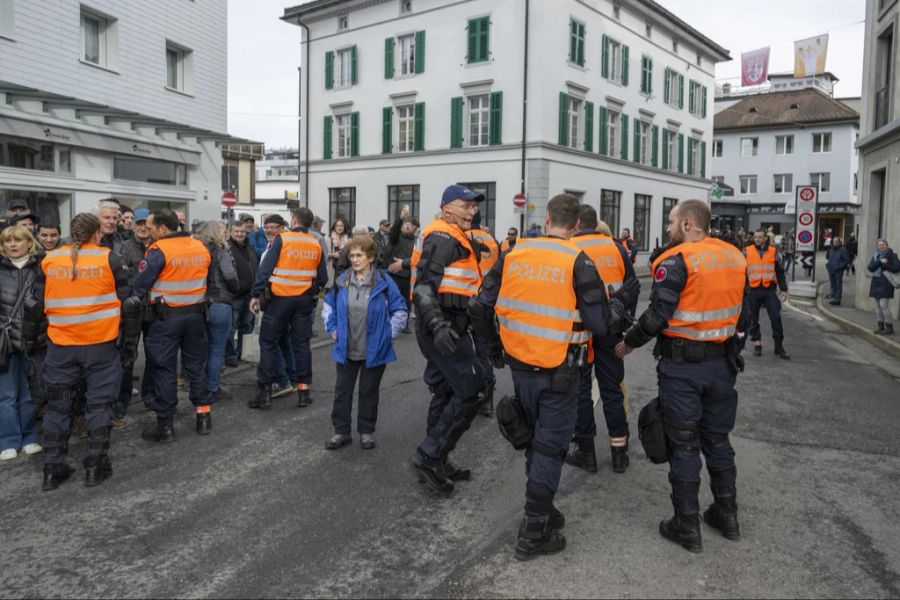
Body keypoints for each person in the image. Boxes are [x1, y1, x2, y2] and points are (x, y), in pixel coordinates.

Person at [469, 193, 635, 560]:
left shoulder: (514, 254)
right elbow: (600, 325)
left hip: (520, 365)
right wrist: (618, 304)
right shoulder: (579, 261)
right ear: (576, 227)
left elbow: (479, 306)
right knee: (550, 445)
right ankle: (532, 530)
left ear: (546, 220)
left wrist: (493, 348)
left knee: (534, 439)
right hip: (561, 369)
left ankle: (542, 506)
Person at [615, 199, 750, 553]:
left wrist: (629, 343)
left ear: (689, 224)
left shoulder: (677, 260)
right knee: (718, 440)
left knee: (685, 442)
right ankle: (727, 515)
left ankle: (686, 524)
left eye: (673, 221)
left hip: (682, 369)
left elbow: (658, 314)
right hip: (722, 366)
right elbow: (745, 314)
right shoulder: (735, 256)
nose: (669, 227)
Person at [32, 213, 136, 490]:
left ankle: (52, 469)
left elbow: (34, 306)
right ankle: (95, 465)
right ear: (97, 233)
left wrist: (35, 340)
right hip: (100, 347)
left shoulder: (50, 260)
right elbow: (130, 306)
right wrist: (129, 345)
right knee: (98, 405)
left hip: (60, 348)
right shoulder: (109, 259)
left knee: (58, 406)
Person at [407, 185, 487, 495]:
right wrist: (439, 327)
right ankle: (430, 455)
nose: (472, 211)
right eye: (465, 206)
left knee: (444, 391)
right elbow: (424, 287)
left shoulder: (454, 234)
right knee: (473, 388)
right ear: (446, 209)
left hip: (447, 323)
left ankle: (437, 456)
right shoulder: (442, 236)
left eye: (473, 206)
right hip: (443, 326)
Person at [569, 208, 640, 474]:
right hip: (612, 328)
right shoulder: (616, 248)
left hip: (580, 332)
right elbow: (632, 286)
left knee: (581, 391)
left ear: (576, 224)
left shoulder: (570, 247)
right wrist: (625, 318)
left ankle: (586, 453)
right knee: (612, 389)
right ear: (595, 223)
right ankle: (619, 453)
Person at [133, 209, 213, 443]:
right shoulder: (200, 247)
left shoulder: (159, 250)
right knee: (196, 366)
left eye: (150, 228)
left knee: (164, 368)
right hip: (196, 316)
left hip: (166, 319)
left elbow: (140, 286)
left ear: (163, 229)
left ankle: (165, 425)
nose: (148, 232)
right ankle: (204, 417)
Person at [321, 235, 407, 450]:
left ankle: (366, 431)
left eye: (359, 255)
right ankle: (341, 432)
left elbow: (400, 310)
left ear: (370, 257)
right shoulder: (341, 281)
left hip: (374, 349)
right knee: (342, 392)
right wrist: (331, 329)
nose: (355, 259)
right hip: (346, 348)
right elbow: (328, 307)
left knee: (369, 392)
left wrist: (388, 335)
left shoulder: (385, 282)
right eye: (352, 255)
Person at [250, 207, 328, 408]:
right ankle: (303, 392)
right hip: (303, 302)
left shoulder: (282, 239)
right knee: (301, 345)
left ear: (294, 220)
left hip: (280, 299)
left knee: (268, 342)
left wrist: (256, 294)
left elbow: (265, 269)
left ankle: (264, 393)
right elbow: (323, 278)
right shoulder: (315, 243)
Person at [0, 225, 43, 462]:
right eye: (8, 241)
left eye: (18, 240)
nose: (13, 245)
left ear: (29, 243)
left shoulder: (41, 268)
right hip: (5, 343)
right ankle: (7, 440)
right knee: (5, 395)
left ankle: (29, 437)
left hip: (33, 340)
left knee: (29, 394)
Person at [196, 221, 240, 402]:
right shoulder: (222, 250)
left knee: (202, 350)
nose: (227, 234)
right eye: (224, 231)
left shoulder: (198, 250)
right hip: (220, 302)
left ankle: (199, 386)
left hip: (200, 304)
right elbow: (229, 274)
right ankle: (213, 387)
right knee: (217, 349)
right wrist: (236, 287)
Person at [117, 208, 153, 422]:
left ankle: (149, 395)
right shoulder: (124, 248)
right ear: (132, 225)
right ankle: (122, 400)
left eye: (146, 224)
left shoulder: (157, 248)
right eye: (138, 223)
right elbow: (122, 279)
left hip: (155, 310)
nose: (142, 227)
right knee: (128, 356)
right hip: (132, 310)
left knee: (154, 355)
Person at [467, 209, 500, 417]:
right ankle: (487, 401)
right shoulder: (492, 240)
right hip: (487, 302)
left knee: (462, 352)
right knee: (483, 353)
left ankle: (467, 396)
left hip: (466, 301)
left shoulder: (464, 238)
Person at [745, 228, 790, 359]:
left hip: (769, 289)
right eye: (756, 237)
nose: (757, 239)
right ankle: (757, 344)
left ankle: (779, 346)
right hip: (753, 290)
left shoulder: (774, 252)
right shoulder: (747, 252)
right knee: (753, 319)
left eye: (760, 237)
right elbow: (742, 272)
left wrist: (784, 289)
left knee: (775, 317)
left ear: (766, 238)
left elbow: (780, 272)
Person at [225, 220, 259, 367]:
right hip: (234, 296)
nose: (239, 234)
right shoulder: (227, 248)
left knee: (246, 326)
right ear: (231, 232)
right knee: (230, 328)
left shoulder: (249, 247)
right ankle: (230, 356)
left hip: (249, 295)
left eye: (242, 232)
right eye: (236, 232)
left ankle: (242, 353)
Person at [386, 208, 417, 334]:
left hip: (408, 275)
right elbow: (393, 231)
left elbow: (416, 257)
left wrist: (405, 262)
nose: (407, 226)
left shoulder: (416, 241)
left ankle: (404, 323)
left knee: (406, 301)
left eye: (410, 225)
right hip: (395, 274)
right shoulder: (396, 238)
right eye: (405, 224)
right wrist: (400, 218)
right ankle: (389, 320)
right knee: (392, 297)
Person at [868, 238, 900, 335]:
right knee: (878, 307)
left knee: (883, 305)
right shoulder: (875, 255)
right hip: (876, 282)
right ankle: (881, 327)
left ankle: (889, 327)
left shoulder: (892, 256)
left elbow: (897, 268)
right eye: (879, 245)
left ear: (887, 245)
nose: (881, 246)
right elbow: (870, 268)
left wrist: (885, 265)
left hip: (886, 283)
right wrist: (880, 261)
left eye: (883, 244)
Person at [825, 237, 851, 306]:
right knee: (832, 284)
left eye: (836, 242)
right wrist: (828, 265)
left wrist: (840, 266)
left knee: (838, 285)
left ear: (839, 242)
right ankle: (833, 297)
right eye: (834, 241)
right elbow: (829, 258)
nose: (835, 243)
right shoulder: (831, 249)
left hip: (838, 270)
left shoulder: (843, 249)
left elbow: (847, 260)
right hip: (831, 269)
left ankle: (838, 299)